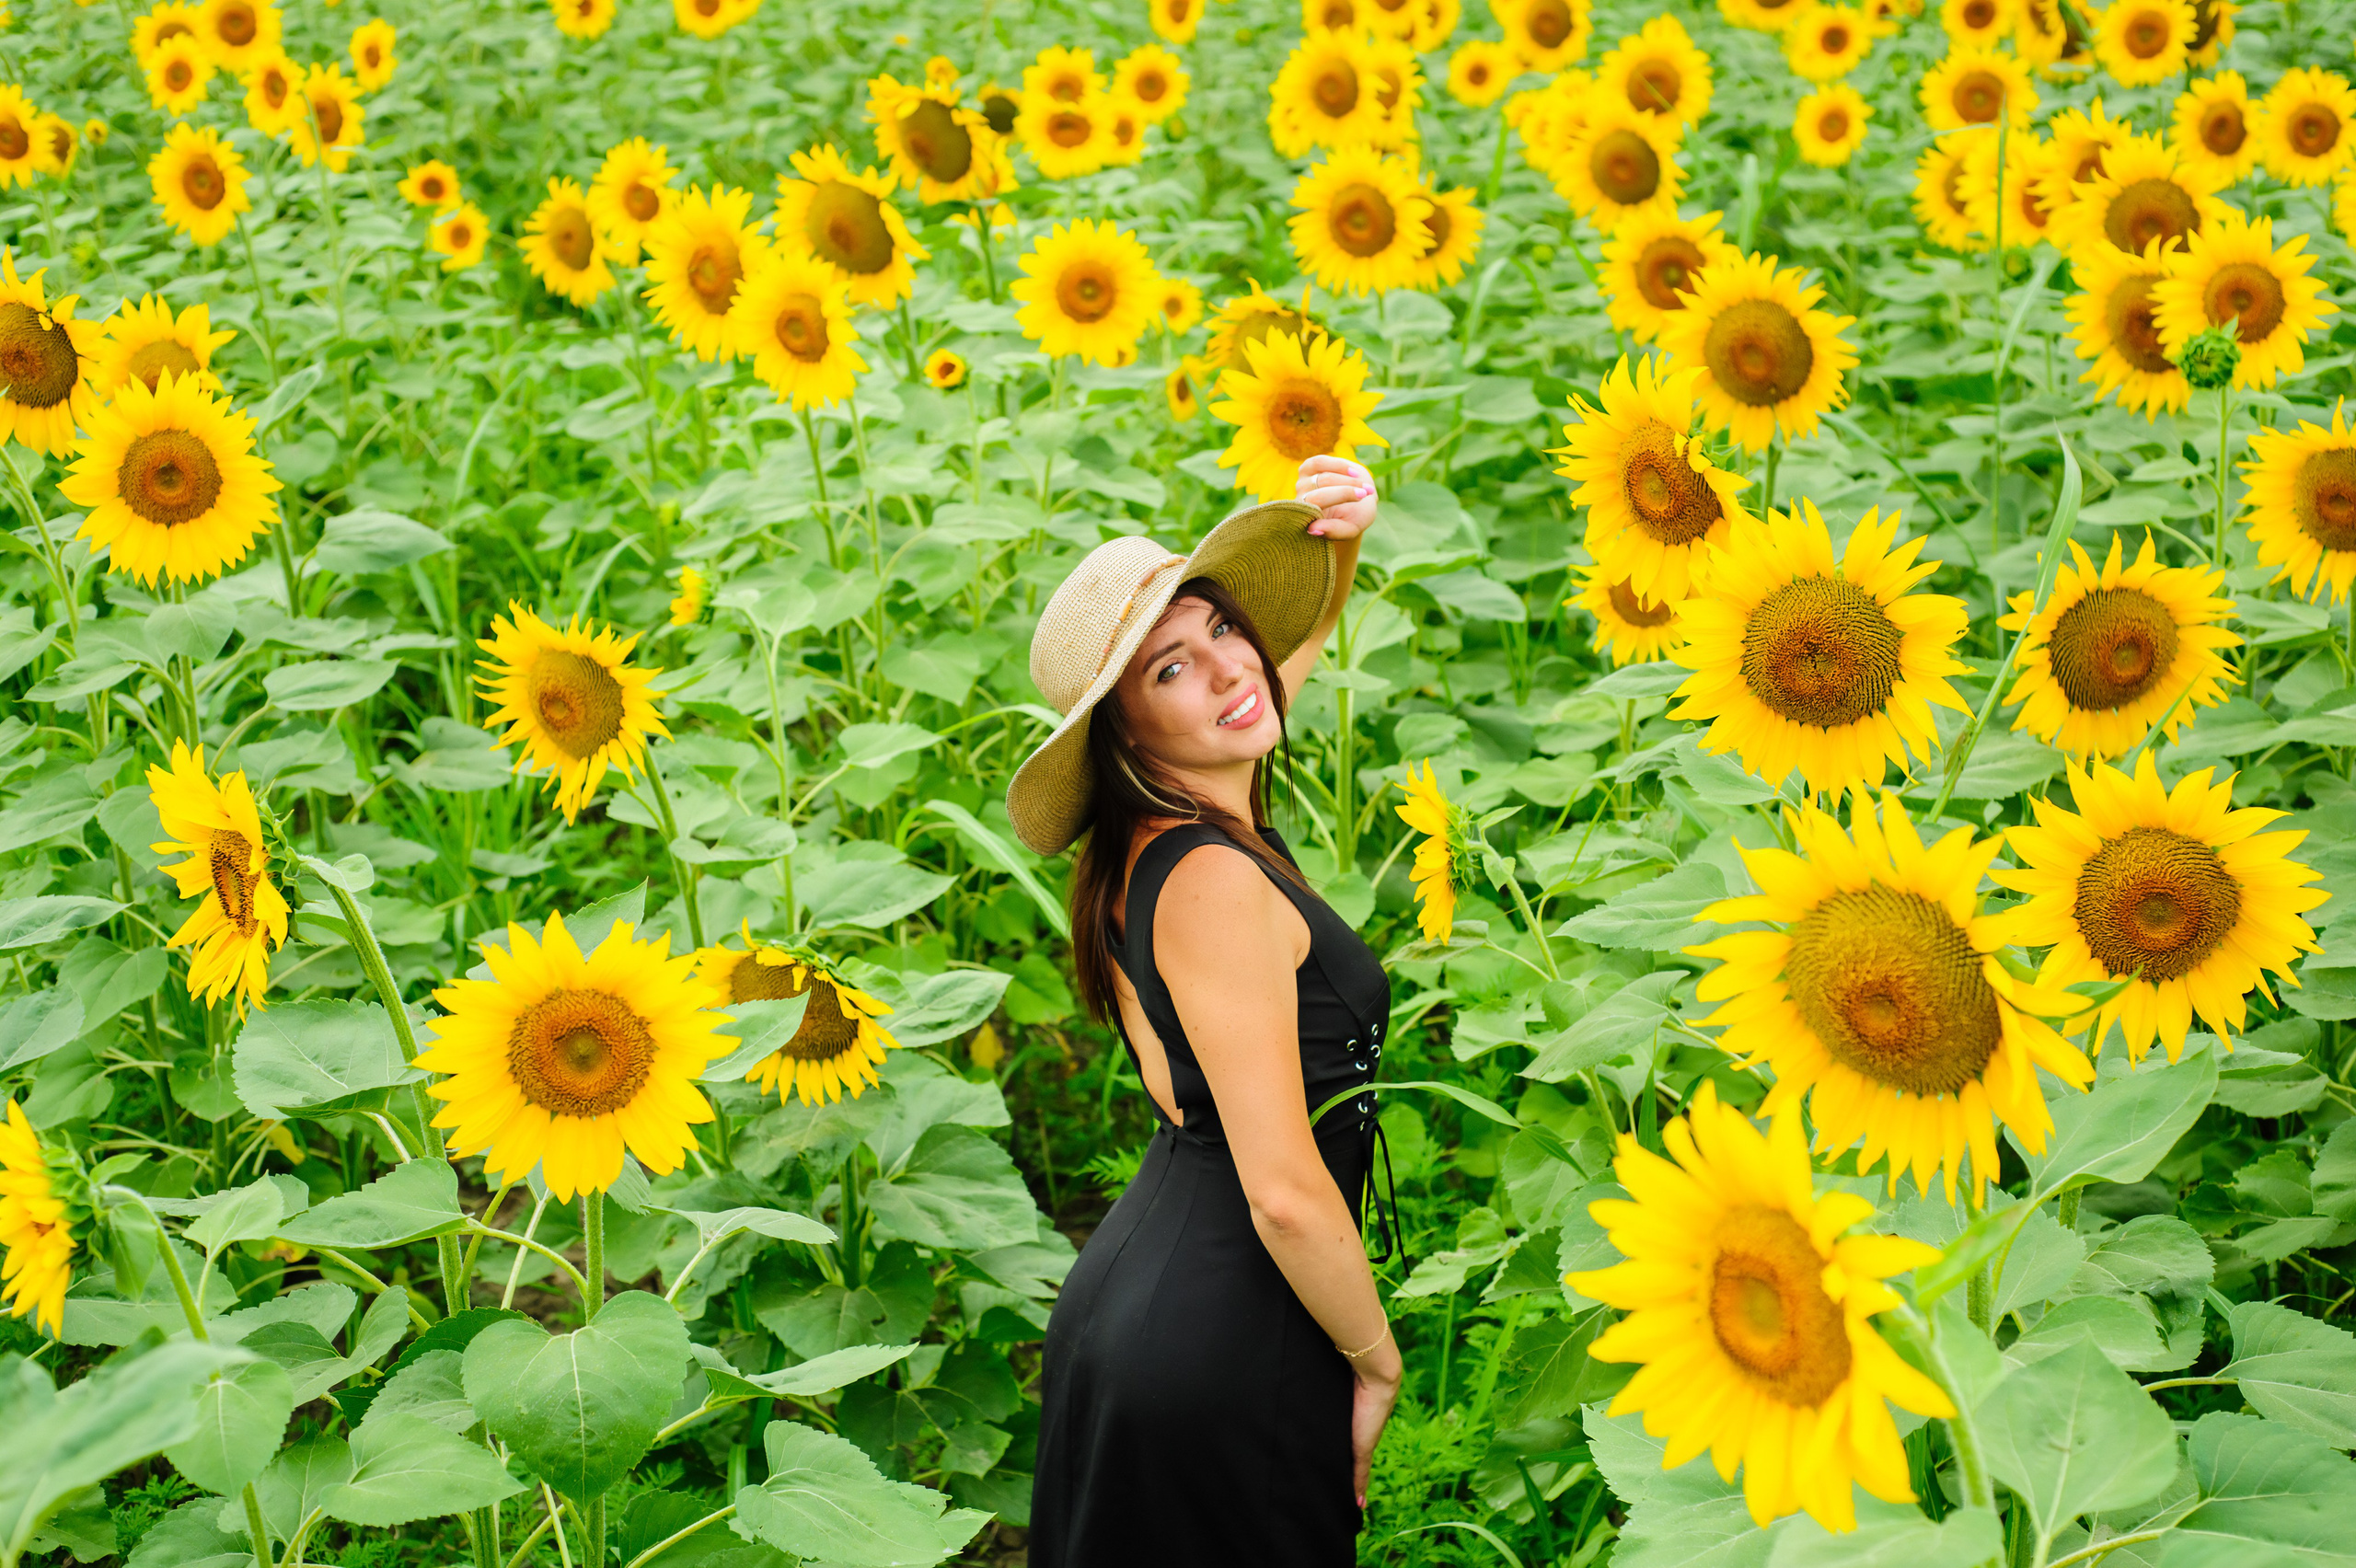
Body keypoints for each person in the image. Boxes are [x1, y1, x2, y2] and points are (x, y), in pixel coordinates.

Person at [1008, 455, 1400, 1566]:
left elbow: (1264, 688)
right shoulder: (1218, 886)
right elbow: (1280, 1191)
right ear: (1125, 732)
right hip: (1231, 1335)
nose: (1232, 669)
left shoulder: (1156, 840)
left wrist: (1343, 542)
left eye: (1226, 628)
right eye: (1171, 668)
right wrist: (1374, 1359)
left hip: (1158, 1309)